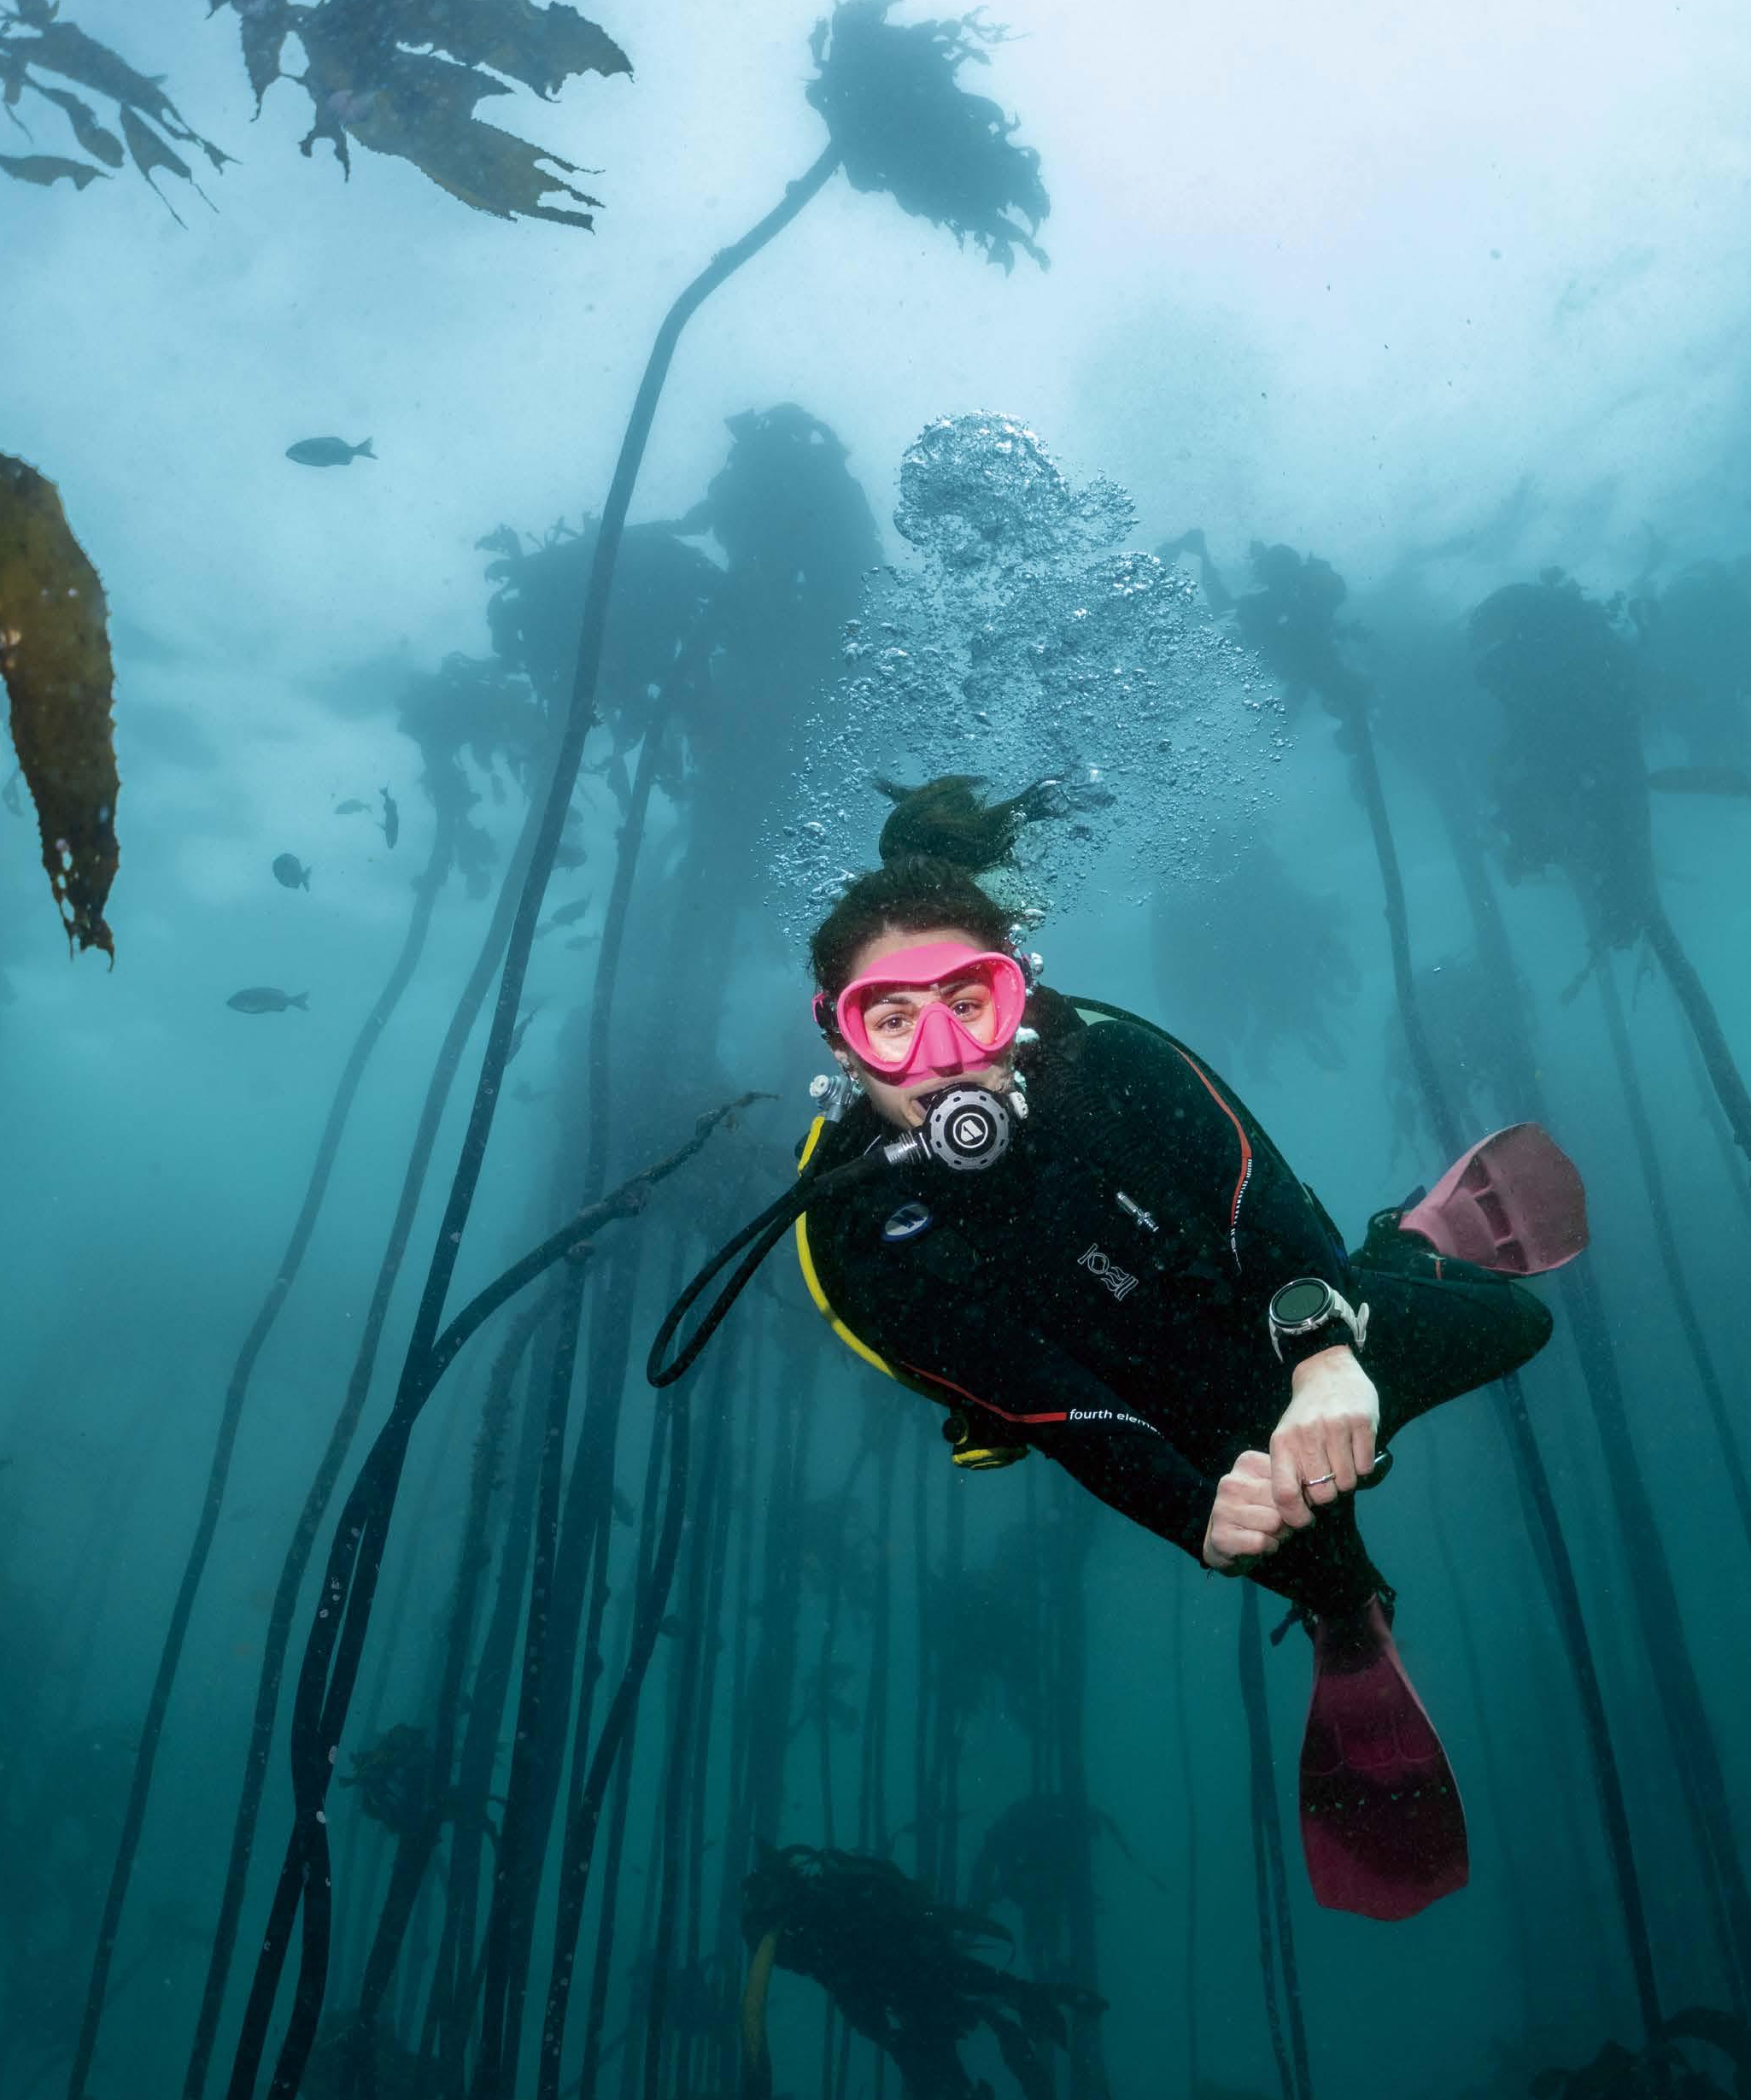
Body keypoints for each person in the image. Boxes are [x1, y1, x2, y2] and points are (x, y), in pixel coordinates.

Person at [653, 804, 1582, 1922]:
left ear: (1019, 993)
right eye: (891, 1021)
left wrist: (1330, 1359)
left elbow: (1258, 1202)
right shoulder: (856, 1241)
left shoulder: (1111, 1056)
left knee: (1519, 1327)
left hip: (1276, 1313)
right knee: (1311, 1560)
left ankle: (1405, 1252)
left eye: (970, 1003)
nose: (943, 1058)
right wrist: (1205, 1522)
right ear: (838, 1038)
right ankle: (1344, 1604)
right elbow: (1060, 1416)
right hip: (1166, 1422)